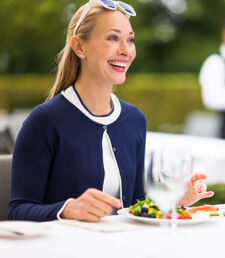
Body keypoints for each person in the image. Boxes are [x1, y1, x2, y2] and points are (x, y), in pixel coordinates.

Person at [8, 0, 213, 222]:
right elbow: (17, 211)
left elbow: (134, 205)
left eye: (130, 40)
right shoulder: (45, 121)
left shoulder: (134, 119)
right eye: (113, 38)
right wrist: (67, 209)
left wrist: (173, 200)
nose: (125, 50)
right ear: (79, 47)